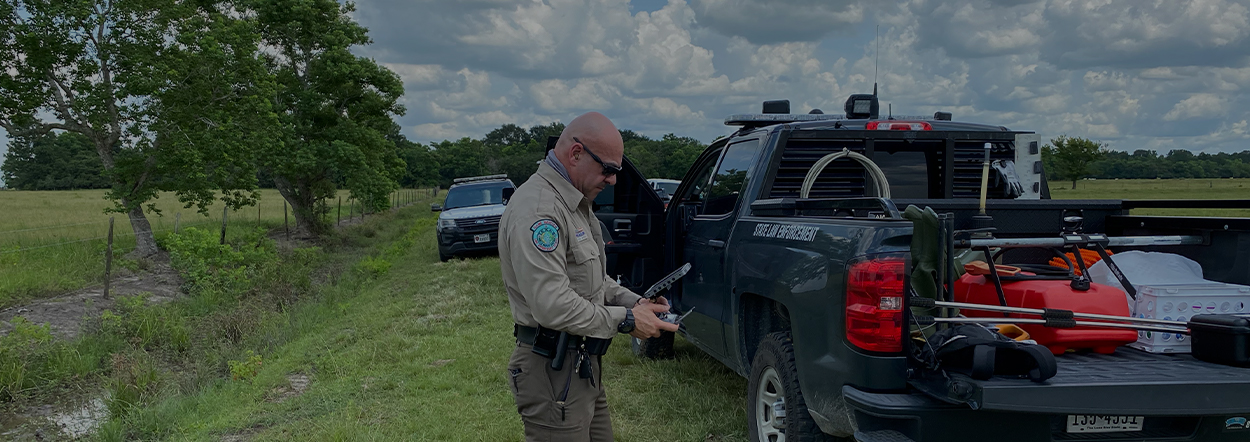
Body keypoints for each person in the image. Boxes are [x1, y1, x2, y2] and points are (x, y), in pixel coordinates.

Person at [499, 112, 680, 441]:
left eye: (617, 171)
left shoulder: (575, 203)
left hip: (580, 365)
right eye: (608, 169)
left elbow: (592, 279)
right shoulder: (541, 210)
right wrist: (626, 320)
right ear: (576, 153)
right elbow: (551, 305)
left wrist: (635, 301)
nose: (612, 180)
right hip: (552, 370)